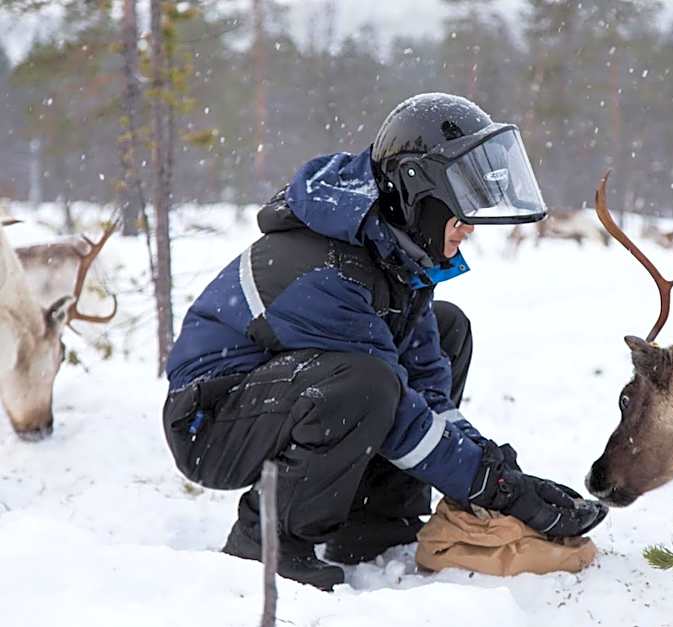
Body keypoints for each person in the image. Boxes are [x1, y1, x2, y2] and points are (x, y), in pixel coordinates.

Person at [162, 93, 608, 590]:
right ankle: (267, 541)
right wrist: (496, 489)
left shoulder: (393, 251)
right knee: (363, 382)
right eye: (460, 207)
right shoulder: (325, 269)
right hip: (211, 421)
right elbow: (398, 415)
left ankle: (375, 520)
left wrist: (500, 474)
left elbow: (427, 392)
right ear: (417, 190)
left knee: (447, 329)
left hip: (284, 394)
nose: (470, 226)